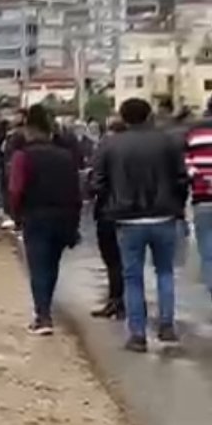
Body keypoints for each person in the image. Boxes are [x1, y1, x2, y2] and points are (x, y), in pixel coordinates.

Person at [94, 98, 189, 352]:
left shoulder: (111, 145)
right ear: (149, 115)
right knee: (165, 272)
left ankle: (137, 334)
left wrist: (108, 208)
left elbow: (98, 183)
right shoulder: (167, 141)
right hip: (164, 215)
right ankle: (167, 326)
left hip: (127, 219)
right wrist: (176, 206)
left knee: (132, 277)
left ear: (123, 118)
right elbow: (182, 178)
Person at [9, 104, 82, 335]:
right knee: (52, 266)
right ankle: (46, 309)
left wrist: (16, 216)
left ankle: (43, 316)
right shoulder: (66, 156)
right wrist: (75, 222)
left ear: (29, 131)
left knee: (38, 266)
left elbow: (15, 189)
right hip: (63, 218)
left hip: (36, 217)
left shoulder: (23, 156)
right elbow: (76, 191)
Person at [89, 117, 127, 319]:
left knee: (112, 260)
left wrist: (90, 187)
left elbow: (97, 182)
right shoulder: (134, 150)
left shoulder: (105, 150)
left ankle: (116, 301)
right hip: (134, 212)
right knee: (127, 260)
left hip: (109, 211)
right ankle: (127, 301)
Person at [185, 97, 212, 300]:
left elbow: (187, 165)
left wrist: (203, 179)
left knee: (207, 249)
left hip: (203, 198)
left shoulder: (194, 135)